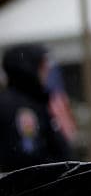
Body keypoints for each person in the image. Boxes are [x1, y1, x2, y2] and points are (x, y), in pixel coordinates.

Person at [0, 43, 73, 172]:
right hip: (33, 188)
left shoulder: (34, 102)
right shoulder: (22, 109)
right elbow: (28, 158)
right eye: (42, 66)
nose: (47, 71)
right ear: (29, 69)